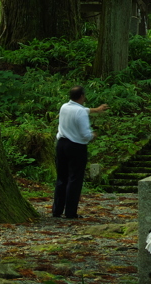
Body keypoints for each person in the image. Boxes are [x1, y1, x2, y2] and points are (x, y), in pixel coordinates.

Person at [52, 86, 108, 219]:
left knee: (62, 177)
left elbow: (81, 110)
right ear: (82, 96)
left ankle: (57, 210)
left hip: (62, 144)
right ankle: (71, 212)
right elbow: (84, 134)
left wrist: (96, 110)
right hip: (76, 146)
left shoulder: (64, 107)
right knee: (75, 179)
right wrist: (92, 135)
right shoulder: (80, 112)